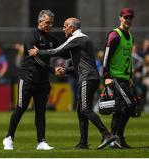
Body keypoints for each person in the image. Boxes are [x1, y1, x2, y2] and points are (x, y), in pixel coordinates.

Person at [29, 17, 116, 149]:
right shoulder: (83, 39)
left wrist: (38, 52)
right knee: (81, 111)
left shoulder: (77, 38)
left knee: (85, 109)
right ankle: (83, 143)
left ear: (72, 27)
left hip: (87, 78)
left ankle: (106, 134)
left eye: (65, 26)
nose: (63, 29)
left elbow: (57, 51)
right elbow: (81, 64)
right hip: (89, 77)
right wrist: (66, 70)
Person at [3, 10, 60, 150]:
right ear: (39, 21)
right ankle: (8, 138)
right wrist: (53, 70)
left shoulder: (52, 39)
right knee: (21, 108)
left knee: (41, 111)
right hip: (27, 79)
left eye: (52, 23)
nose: (50, 25)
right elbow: (37, 60)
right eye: (47, 22)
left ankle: (41, 142)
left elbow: (62, 51)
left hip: (43, 81)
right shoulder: (31, 35)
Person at [103, 8, 135, 148]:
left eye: (130, 18)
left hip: (124, 78)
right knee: (129, 105)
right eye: (125, 17)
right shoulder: (114, 35)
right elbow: (106, 56)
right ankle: (116, 137)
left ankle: (115, 140)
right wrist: (106, 76)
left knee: (120, 109)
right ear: (120, 18)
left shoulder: (130, 36)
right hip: (114, 77)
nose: (128, 20)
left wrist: (130, 77)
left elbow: (129, 58)